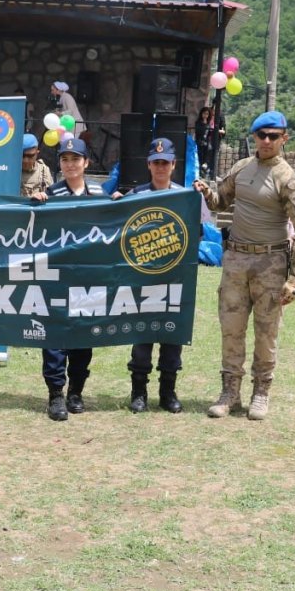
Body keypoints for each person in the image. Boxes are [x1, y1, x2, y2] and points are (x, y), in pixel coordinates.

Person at [194, 111, 295, 421]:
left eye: (274, 136)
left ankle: (261, 392)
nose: (267, 141)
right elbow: (220, 202)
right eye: (262, 135)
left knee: (266, 331)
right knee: (231, 328)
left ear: (284, 138)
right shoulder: (242, 168)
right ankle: (229, 392)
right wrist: (207, 192)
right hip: (235, 260)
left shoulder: (287, 178)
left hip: (271, 263)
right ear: (255, 138)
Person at [30, 137, 105, 421]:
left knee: (84, 335)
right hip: (57, 278)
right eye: (65, 159)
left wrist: (121, 203)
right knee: (55, 336)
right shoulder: (52, 194)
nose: (70, 164)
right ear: (59, 164)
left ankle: (76, 391)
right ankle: (56, 395)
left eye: (76, 158)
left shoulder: (99, 192)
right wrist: (34, 204)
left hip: (89, 276)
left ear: (86, 162)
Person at [112, 138, 187, 413]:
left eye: (165, 162)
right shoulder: (136, 195)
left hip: (174, 278)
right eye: (156, 162)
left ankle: (168, 392)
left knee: (172, 336)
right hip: (142, 278)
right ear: (148, 165)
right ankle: (138, 391)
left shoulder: (185, 196)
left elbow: (198, 233)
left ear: (173, 165)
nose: (160, 167)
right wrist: (116, 205)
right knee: (142, 336)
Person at [194, 105, 225, 178]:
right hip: (200, 143)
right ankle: (199, 174)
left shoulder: (208, 123)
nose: (205, 115)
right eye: (204, 113)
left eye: (207, 114)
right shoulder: (198, 122)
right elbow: (199, 131)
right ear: (201, 114)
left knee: (206, 159)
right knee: (199, 159)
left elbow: (211, 131)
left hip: (207, 144)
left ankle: (205, 173)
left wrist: (217, 131)